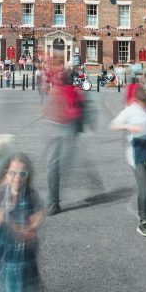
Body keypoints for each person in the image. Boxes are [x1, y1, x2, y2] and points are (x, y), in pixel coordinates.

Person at [0, 154, 44, 292]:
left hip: (21, 256)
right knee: (0, 283)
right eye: (13, 173)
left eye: (22, 173)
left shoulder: (30, 195)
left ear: (27, 175)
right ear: (6, 173)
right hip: (1, 251)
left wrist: (34, 221)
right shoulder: (2, 193)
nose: (17, 178)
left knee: (19, 286)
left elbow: (31, 229)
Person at [110, 88, 146, 237]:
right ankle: (143, 222)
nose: (145, 107)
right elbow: (114, 125)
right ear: (137, 101)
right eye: (143, 104)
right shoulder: (130, 110)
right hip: (136, 154)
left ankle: (144, 217)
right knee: (143, 187)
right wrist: (128, 126)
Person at [43, 58, 82, 216]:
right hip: (65, 129)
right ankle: (53, 202)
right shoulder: (71, 91)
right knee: (57, 165)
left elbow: (49, 109)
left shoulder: (58, 91)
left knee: (54, 166)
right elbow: (80, 112)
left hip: (60, 128)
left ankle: (53, 203)